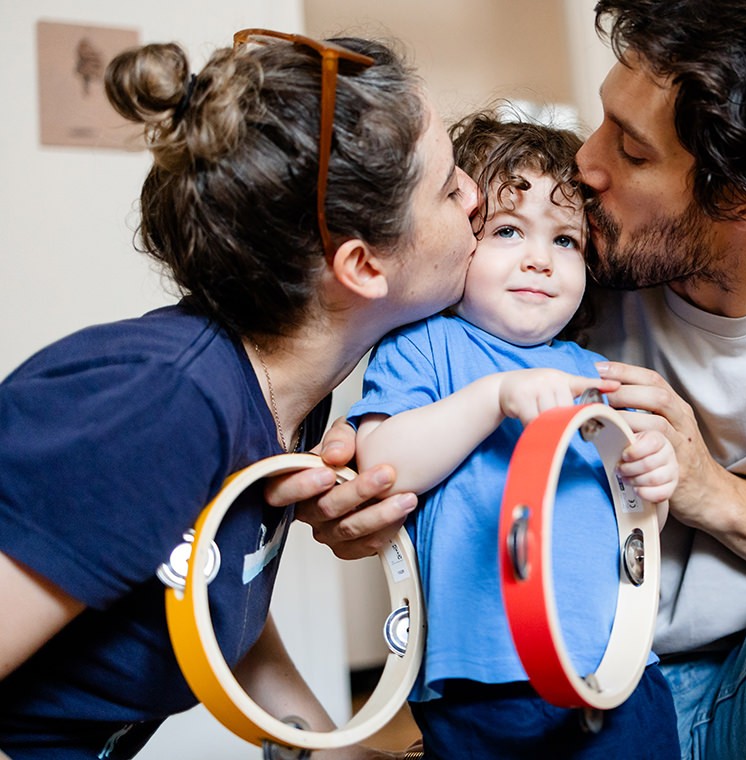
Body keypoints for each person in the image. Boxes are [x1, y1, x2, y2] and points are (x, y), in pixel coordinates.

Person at [294, 1, 746, 758]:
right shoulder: (560, 280)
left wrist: (715, 495)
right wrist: (360, 499)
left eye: (631, 152)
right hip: (574, 688)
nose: (585, 164)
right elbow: (385, 406)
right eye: (603, 120)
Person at [0, 29, 479, 759]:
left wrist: (340, 752)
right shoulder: (163, 404)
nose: (475, 198)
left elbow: (213, 604)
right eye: (449, 188)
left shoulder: (284, 402)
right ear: (362, 264)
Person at [345, 109, 680, 759]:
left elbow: (636, 524)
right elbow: (379, 466)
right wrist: (492, 399)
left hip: (618, 671)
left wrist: (655, 478)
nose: (539, 260)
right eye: (507, 230)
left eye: (564, 241)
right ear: (459, 241)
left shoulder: (599, 375)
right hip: (481, 681)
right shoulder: (424, 348)